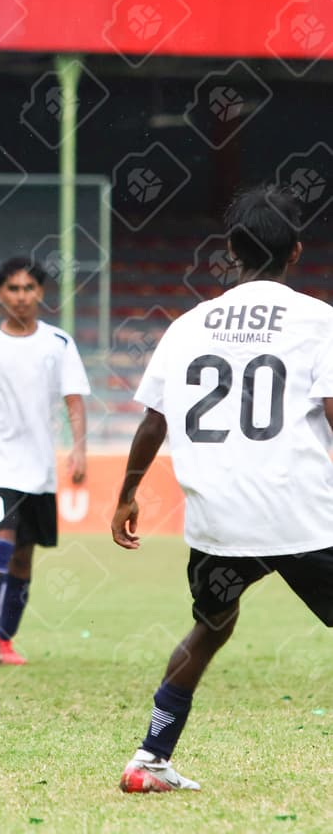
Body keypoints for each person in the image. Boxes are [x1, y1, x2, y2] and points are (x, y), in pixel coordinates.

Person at [112, 184, 333, 793]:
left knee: (211, 626)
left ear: (232, 252)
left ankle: (150, 758)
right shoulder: (319, 321)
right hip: (302, 514)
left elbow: (154, 420)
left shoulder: (187, 326)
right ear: (295, 252)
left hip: (218, 521)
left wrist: (127, 493)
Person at [0, 257, 90, 665]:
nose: (21, 296)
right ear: (0, 294)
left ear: (41, 293)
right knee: (1, 538)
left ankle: (6, 638)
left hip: (40, 467)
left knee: (24, 554)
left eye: (29, 288)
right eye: (13, 288)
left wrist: (79, 448)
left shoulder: (58, 343)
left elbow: (74, 400)